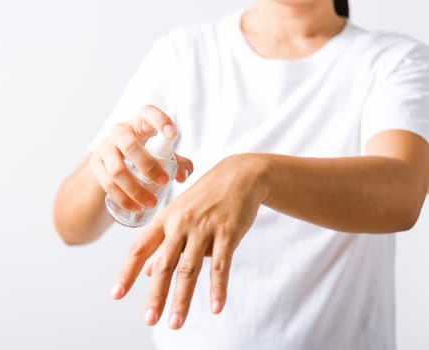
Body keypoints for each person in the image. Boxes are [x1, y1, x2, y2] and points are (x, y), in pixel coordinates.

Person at [53, 0, 429, 349]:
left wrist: (255, 174)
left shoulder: (393, 60)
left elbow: (401, 193)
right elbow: (72, 225)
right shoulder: (185, 54)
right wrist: (108, 167)